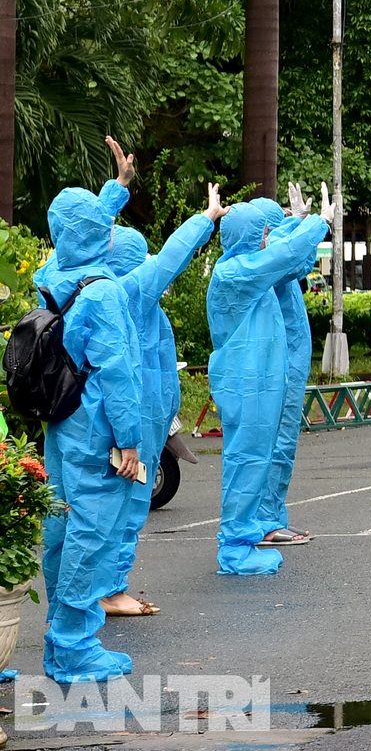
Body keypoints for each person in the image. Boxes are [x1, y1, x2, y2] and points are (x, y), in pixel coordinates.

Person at [98, 183, 225, 616]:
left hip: (142, 419)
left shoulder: (122, 298)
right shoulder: (131, 295)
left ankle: (107, 587)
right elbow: (171, 257)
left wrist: (113, 193)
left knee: (118, 507)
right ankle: (109, 590)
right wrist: (206, 218)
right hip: (136, 420)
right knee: (125, 507)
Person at [34, 187, 145, 682]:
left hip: (62, 421)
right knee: (93, 530)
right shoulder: (103, 292)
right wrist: (130, 439)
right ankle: (75, 645)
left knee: (61, 526)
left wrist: (112, 193)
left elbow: (81, 227)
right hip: (98, 425)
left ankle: (59, 639)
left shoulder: (53, 277)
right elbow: (118, 373)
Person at [205, 189, 330, 575]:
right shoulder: (236, 273)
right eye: (263, 232)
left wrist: (302, 222)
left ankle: (244, 537)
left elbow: (282, 254)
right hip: (246, 382)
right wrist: (317, 223)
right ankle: (237, 544)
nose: (267, 239)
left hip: (255, 380)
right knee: (248, 459)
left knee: (254, 457)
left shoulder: (244, 268)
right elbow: (283, 254)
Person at [257, 191, 322, 548]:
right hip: (280, 365)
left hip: (287, 362)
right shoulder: (264, 259)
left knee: (280, 443)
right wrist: (308, 223)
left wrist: (296, 222)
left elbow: (299, 260)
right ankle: (264, 520)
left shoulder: (273, 254)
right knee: (276, 443)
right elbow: (293, 257)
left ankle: (270, 515)